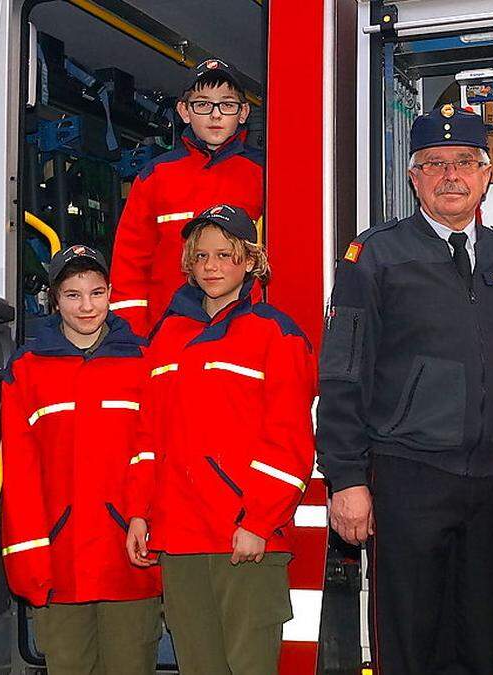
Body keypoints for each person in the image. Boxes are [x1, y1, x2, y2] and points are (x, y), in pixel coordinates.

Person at [316, 105, 493, 674]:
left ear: (487, 172)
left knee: (479, 645)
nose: (451, 175)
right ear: (413, 177)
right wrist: (345, 479)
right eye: (434, 164)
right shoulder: (374, 256)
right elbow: (342, 371)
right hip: (407, 476)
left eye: (465, 162)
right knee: (410, 647)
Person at [123, 204, 315, 674]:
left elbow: (290, 441)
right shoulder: (166, 336)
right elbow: (147, 436)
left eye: (225, 255)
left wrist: (259, 522)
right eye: (202, 256)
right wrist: (138, 513)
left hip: (243, 537)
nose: (211, 267)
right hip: (179, 539)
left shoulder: (277, 333)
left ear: (250, 261)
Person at [0, 245, 162, 675]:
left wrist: (141, 516)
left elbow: (153, 451)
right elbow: (20, 474)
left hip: (129, 557)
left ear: (111, 293)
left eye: (96, 292)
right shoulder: (26, 370)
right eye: (73, 295)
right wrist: (29, 561)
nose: (86, 306)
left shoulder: (146, 363)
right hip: (60, 561)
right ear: (55, 300)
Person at [109, 58, 264, 336]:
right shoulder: (155, 176)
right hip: (166, 335)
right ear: (184, 110)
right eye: (202, 104)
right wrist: (131, 338)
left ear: (243, 112)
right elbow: (129, 265)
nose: (215, 115)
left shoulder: (266, 175)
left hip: (245, 334)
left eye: (227, 104)